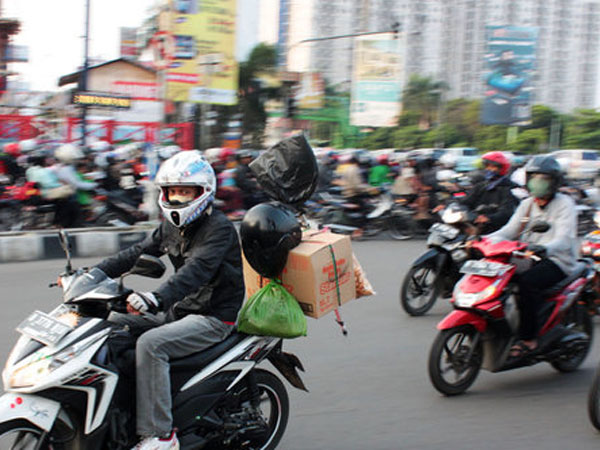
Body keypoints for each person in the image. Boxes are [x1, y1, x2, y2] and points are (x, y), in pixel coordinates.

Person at [89, 150, 244, 450]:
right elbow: (136, 253)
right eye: (172, 192)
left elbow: (196, 272)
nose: (177, 199)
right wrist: (93, 274)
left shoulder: (219, 229)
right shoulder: (171, 226)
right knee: (107, 322)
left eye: (185, 192)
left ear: (203, 192)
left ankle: (161, 435)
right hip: (182, 309)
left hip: (213, 316)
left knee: (152, 344)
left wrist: (155, 298)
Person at [486, 155, 578, 357]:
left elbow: (564, 239)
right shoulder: (527, 203)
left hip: (558, 261)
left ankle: (529, 338)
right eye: (534, 177)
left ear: (554, 181)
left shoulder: (565, 204)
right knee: (495, 276)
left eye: (543, 178)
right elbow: (508, 231)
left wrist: (544, 249)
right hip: (528, 256)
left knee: (526, 284)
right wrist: (483, 240)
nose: (538, 182)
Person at [436, 151, 519, 234]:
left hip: (496, 227)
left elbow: (506, 212)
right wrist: (447, 204)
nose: (489, 169)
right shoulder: (481, 186)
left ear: (501, 168)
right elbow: (466, 201)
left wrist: (489, 218)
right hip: (476, 221)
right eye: (487, 166)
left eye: (493, 167)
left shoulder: (507, 188)